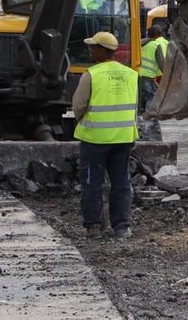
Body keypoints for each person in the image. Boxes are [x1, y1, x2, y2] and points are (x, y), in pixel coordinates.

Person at [72, 31, 139, 240]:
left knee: (92, 182)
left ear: (103, 50)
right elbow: (135, 107)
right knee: (121, 181)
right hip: (123, 138)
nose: (90, 50)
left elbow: (78, 106)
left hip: (95, 139)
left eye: (94, 47)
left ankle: (92, 226)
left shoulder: (91, 74)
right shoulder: (130, 74)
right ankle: (121, 227)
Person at [137, 25, 168, 140]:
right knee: (152, 96)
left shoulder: (139, 43)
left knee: (140, 99)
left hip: (137, 75)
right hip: (148, 76)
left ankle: (139, 119)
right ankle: (148, 119)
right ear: (158, 34)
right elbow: (161, 63)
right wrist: (167, 74)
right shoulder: (156, 45)